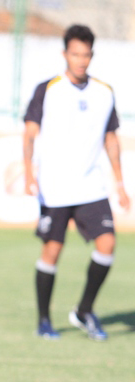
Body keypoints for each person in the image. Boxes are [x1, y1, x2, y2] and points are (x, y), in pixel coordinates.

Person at [23, 24, 130, 341]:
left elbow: (111, 139)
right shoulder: (48, 89)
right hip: (55, 187)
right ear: (64, 54)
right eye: (75, 54)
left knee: (107, 244)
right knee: (52, 251)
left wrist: (120, 183)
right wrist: (29, 170)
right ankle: (44, 320)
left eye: (86, 55)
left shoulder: (104, 92)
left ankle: (84, 311)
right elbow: (30, 133)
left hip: (90, 187)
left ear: (92, 55)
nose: (81, 60)